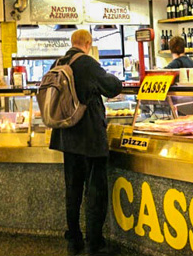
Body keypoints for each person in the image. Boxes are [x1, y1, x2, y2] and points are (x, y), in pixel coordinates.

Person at [49, 30, 123, 256]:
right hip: (89, 138)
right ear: (88, 44)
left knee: (72, 190)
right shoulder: (87, 63)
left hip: (66, 136)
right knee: (95, 191)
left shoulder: (59, 62)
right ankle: (95, 243)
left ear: (72, 43)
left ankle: (74, 239)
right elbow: (113, 87)